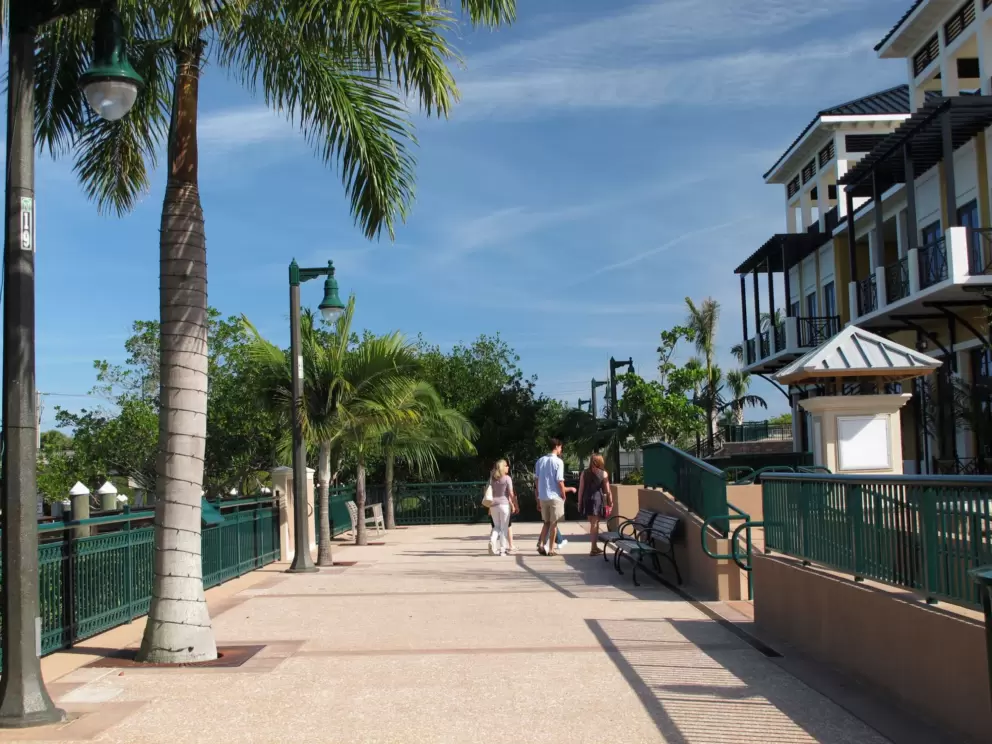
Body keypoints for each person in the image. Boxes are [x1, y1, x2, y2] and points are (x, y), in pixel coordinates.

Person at [535, 438, 574, 556]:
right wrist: (563, 494)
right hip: (555, 496)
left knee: (546, 522)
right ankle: (551, 549)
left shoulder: (540, 461)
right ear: (556, 446)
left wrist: (538, 496)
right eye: (560, 447)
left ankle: (541, 544)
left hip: (543, 496)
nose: (561, 449)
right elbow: (560, 481)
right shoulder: (558, 462)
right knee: (554, 523)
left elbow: (536, 480)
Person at [579, 454, 611, 556]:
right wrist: (610, 502)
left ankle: (595, 546)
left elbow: (581, 489)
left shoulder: (584, 473)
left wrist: (580, 502)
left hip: (587, 498)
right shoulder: (604, 474)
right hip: (597, 499)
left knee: (593, 523)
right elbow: (607, 490)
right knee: (595, 524)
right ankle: (593, 547)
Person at [487, 459, 516, 556]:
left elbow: (488, 491)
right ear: (503, 467)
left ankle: (492, 540)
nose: (508, 467)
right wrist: (515, 504)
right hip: (504, 505)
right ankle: (502, 550)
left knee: (496, 527)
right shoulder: (507, 478)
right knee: (504, 528)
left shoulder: (492, 478)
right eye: (506, 466)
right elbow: (511, 493)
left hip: (493, 505)